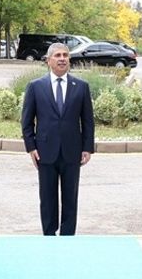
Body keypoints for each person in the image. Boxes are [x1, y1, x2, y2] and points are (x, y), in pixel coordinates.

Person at [21, 42, 95, 235]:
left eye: (65, 55)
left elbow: (88, 121)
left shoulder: (81, 87)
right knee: (47, 198)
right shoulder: (36, 87)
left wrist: (87, 147)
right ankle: (49, 235)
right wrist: (31, 147)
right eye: (58, 56)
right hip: (45, 152)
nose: (62, 59)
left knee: (71, 197)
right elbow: (27, 121)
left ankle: (67, 236)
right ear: (48, 60)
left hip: (73, 152)